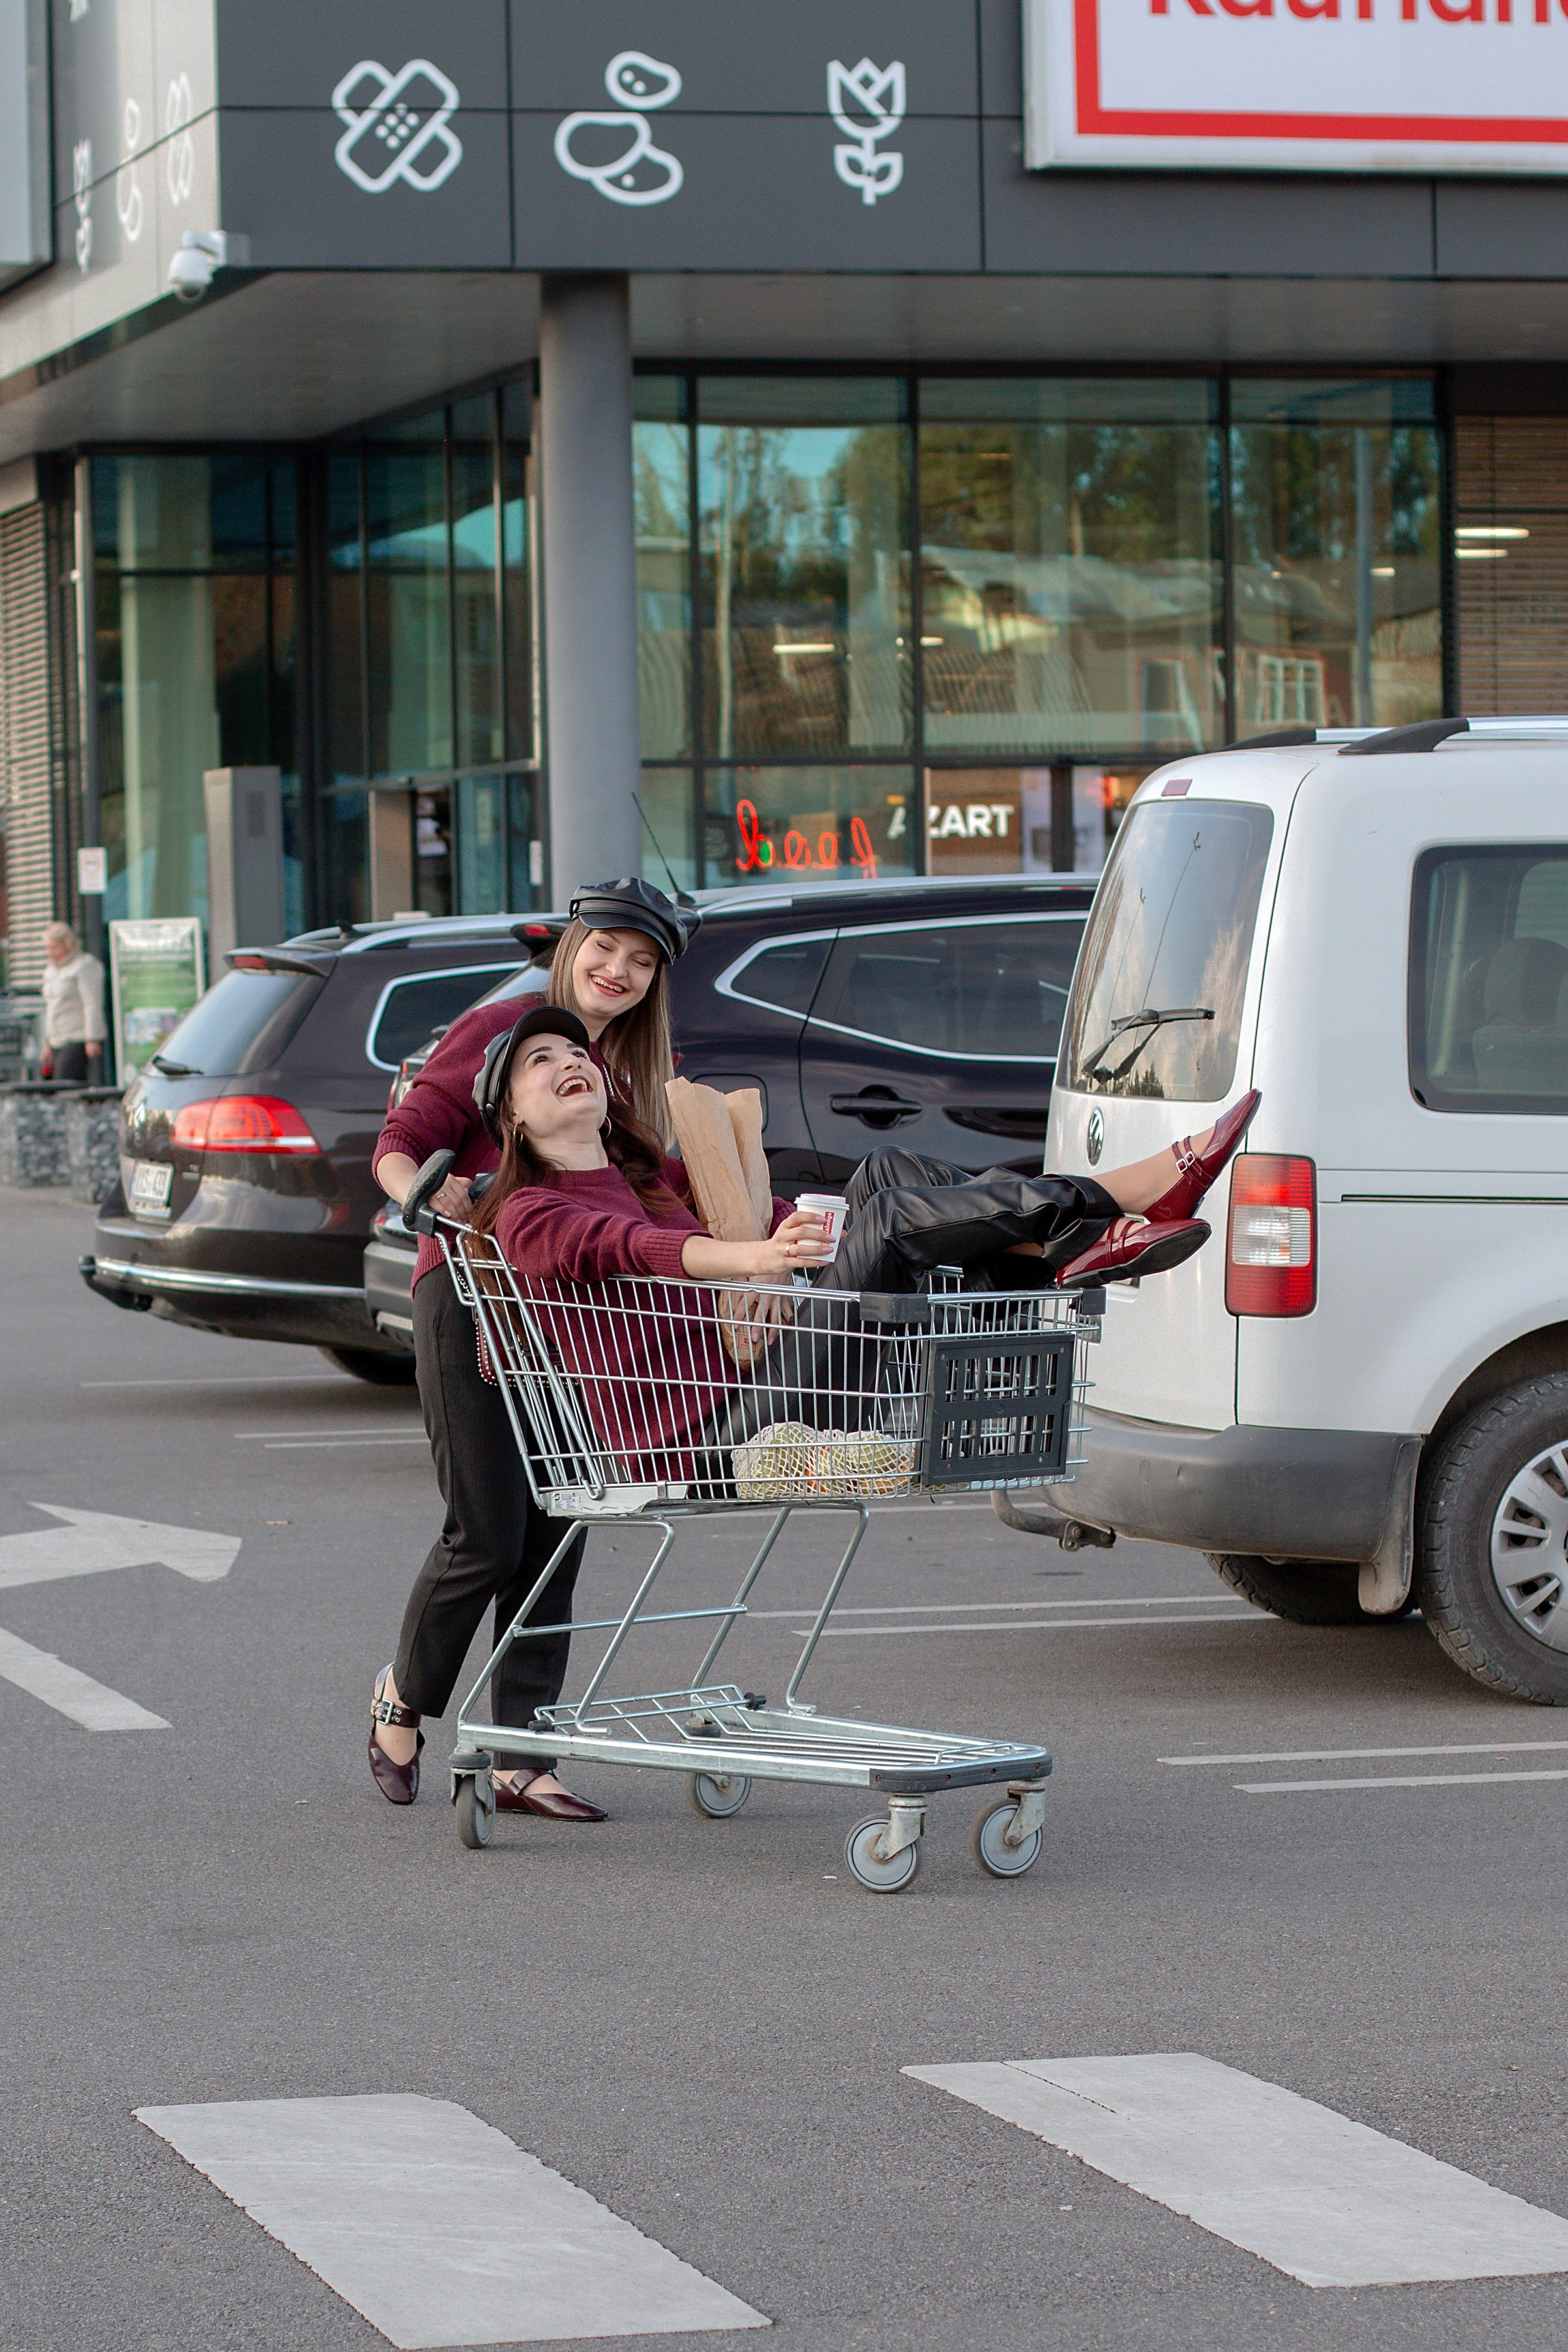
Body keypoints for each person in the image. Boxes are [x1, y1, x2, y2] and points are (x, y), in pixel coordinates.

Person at [464, 1003, 1262, 1480]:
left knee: (884, 1175)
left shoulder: (658, 1178)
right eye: (541, 1061)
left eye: (579, 1054)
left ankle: (1074, 1244)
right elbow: (628, 1250)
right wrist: (756, 1260)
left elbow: (779, 1217)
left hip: (772, 1384)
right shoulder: (529, 1212)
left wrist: (788, 1231)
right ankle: (1120, 1197)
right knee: (887, 1225)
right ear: (513, 1118)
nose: (571, 1061)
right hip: (708, 1443)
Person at [366, 878, 694, 1816]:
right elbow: (407, 1137)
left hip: (574, 1310)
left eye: (642, 963)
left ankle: (522, 1753)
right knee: (487, 1529)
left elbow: (659, 1186)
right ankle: (404, 1696)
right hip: (474, 1295)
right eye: (605, 949)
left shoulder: (622, 1071)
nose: (617, 972)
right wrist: (425, 1194)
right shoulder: (514, 1028)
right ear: (570, 945)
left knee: (558, 1523)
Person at [40, 923, 106, 1084]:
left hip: (77, 1037)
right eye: (48, 948)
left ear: (67, 945)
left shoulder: (85, 965)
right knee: (50, 1084)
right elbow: (50, 1008)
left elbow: (92, 1003)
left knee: (67, 1082)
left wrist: (92, 1038)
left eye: (55, 948)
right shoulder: (50, 970)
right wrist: (47, 1042)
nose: (50, 953)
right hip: (56, 1039)